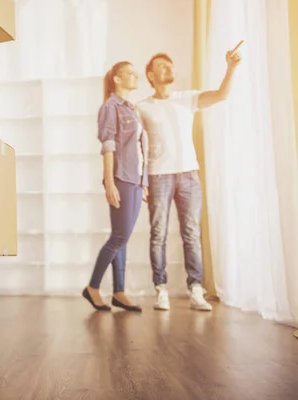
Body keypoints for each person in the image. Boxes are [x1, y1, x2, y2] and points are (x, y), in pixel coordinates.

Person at [136, 45, 243, 311]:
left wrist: (230, 68)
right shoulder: (142, 107)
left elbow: (221, 95)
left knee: (191, 234)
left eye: (170, 65)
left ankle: (196, 289)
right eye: (162, 66)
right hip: (157, 176)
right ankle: (160, 289)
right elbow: (135, 146)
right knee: (158, 234)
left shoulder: (187, 98)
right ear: (150, 75)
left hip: (188, 176)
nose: (169, 68)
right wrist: (142, 181)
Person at [82, 61, 149, 312]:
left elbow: (139, 148)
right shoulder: (110, 107)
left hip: (134, 179)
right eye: (130, 73)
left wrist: (144, 183)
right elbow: (108, 145)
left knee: (123, 239)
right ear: (117, 79)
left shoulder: (132, 108)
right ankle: (93, 288)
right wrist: (110, 182)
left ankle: (119, 292)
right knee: (119, 237)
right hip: (121, 178)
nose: (135, 76)